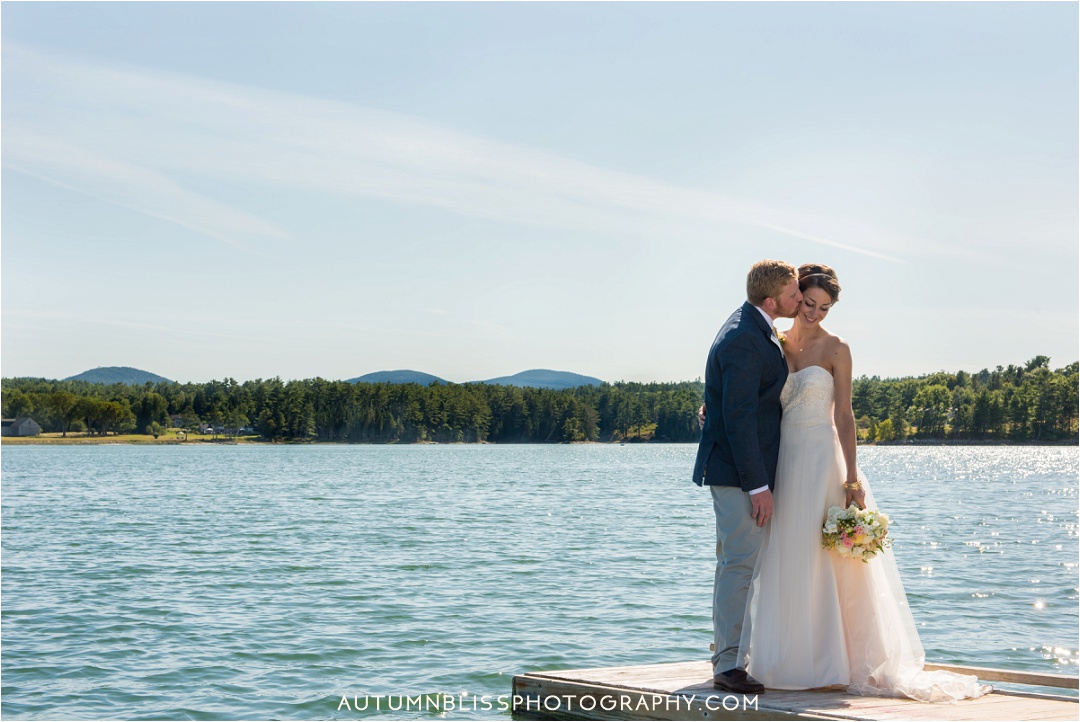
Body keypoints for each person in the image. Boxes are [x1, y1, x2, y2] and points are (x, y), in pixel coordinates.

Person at [734, 264, 990, 702]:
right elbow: (756, 402)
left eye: (825, 307)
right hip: (784, 463)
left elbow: (845, 416)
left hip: (822, 460)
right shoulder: (776, 345)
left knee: (828, 559)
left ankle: (837, 661)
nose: (815, 313)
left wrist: (852, 478)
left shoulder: (837, 348)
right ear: (795, 298)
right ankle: (788, 659)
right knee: (789, 555)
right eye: (809, 303)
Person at [692, 259, 802, 696]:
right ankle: (730, 666)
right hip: (739, 474)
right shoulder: (743, 337)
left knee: (734, 564)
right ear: (772, 299)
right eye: (794, 294)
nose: (798, 300)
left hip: (739, 469)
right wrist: (758, 486)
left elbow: (736, 402)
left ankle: (728, 653)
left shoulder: (754, 327)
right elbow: (738, 418)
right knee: (738, 564)